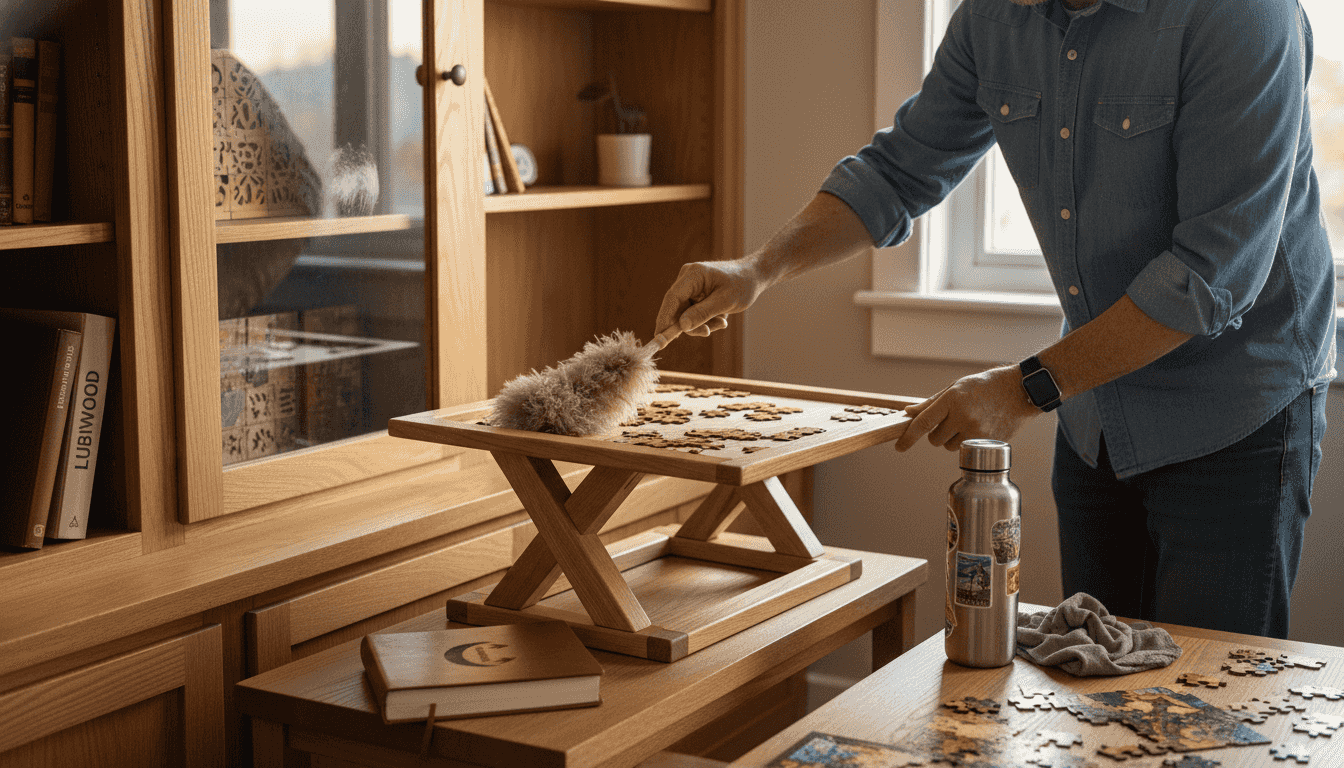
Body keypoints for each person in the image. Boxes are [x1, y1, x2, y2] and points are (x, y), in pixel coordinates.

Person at [652, 0, 1336, 640]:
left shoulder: (1245, 16)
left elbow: (1209, 276)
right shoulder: (993, 15)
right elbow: (896, 172)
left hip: (1235, 416)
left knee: (1208, 701)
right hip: (1096, 413)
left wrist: (1022, 389)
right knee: (1098, 683)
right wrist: (758, 269)